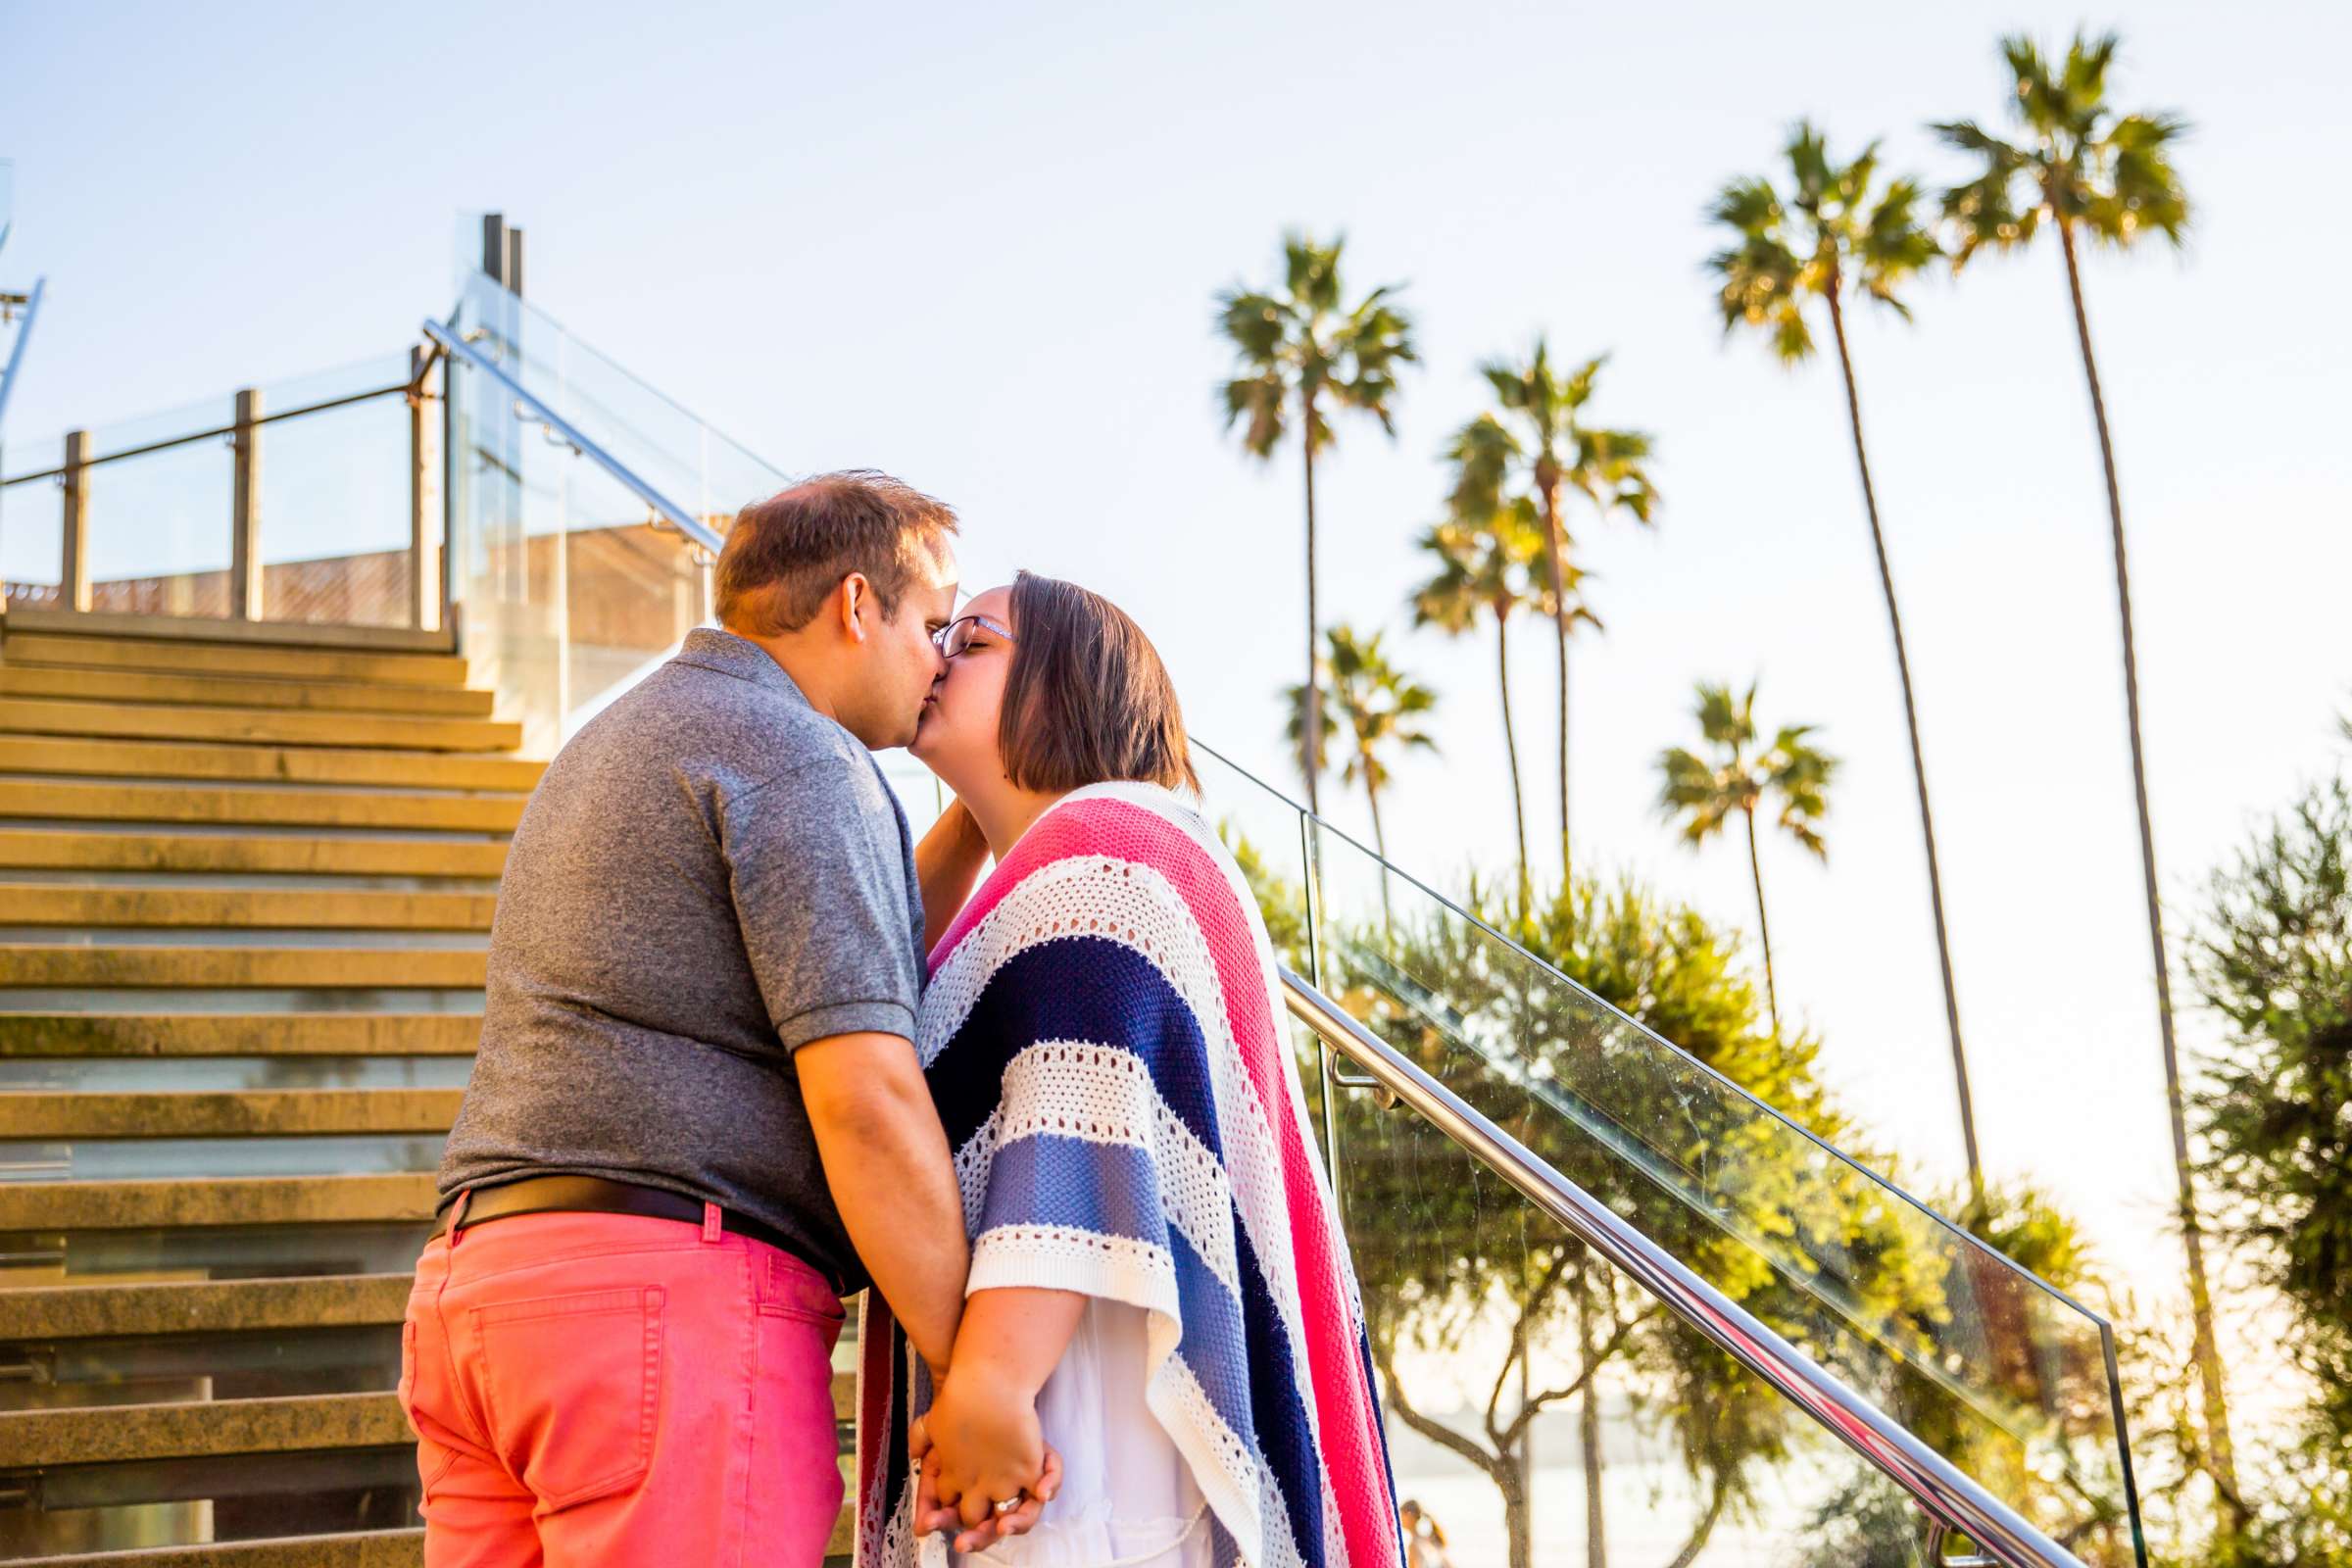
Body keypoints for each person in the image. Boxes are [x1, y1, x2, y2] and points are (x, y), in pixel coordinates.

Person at [402, 473, 1051, 1565]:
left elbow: (849, 950)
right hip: (660, 1311)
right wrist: (974, 1383)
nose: (942, 658)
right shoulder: (800, 756)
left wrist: (984, 818)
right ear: (856, 606)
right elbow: (866, 1100)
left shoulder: (633, 736)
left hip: (482, 1298)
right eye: (933, 624)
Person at [856, 572, 1405, 1568]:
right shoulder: (1064, 860)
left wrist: (988, 1380)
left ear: (1066, 682)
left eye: (970, 639)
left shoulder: (1104, 848)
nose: (935, 656)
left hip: (1082, 1427)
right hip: (1074, 1417)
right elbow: (879, 980)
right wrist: (983, 805)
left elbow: (1083, 1100)